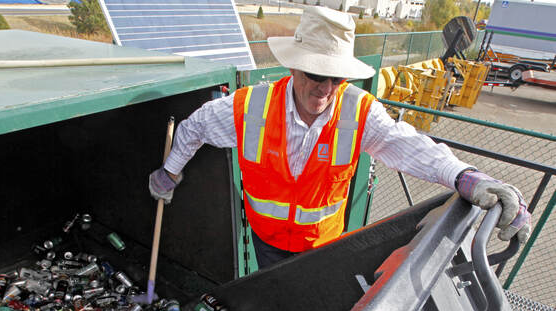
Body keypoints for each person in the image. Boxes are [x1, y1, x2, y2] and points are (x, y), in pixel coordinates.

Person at [149, 6, 530, 269]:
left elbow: (413, 148)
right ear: (295, 68)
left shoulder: (358, 112)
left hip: (323, 249)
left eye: (337, 78)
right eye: (317, 75)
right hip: (266, 243)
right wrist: (170, 172)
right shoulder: (249, 109)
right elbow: (193, 128)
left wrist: (468, 177)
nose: (326, 89)